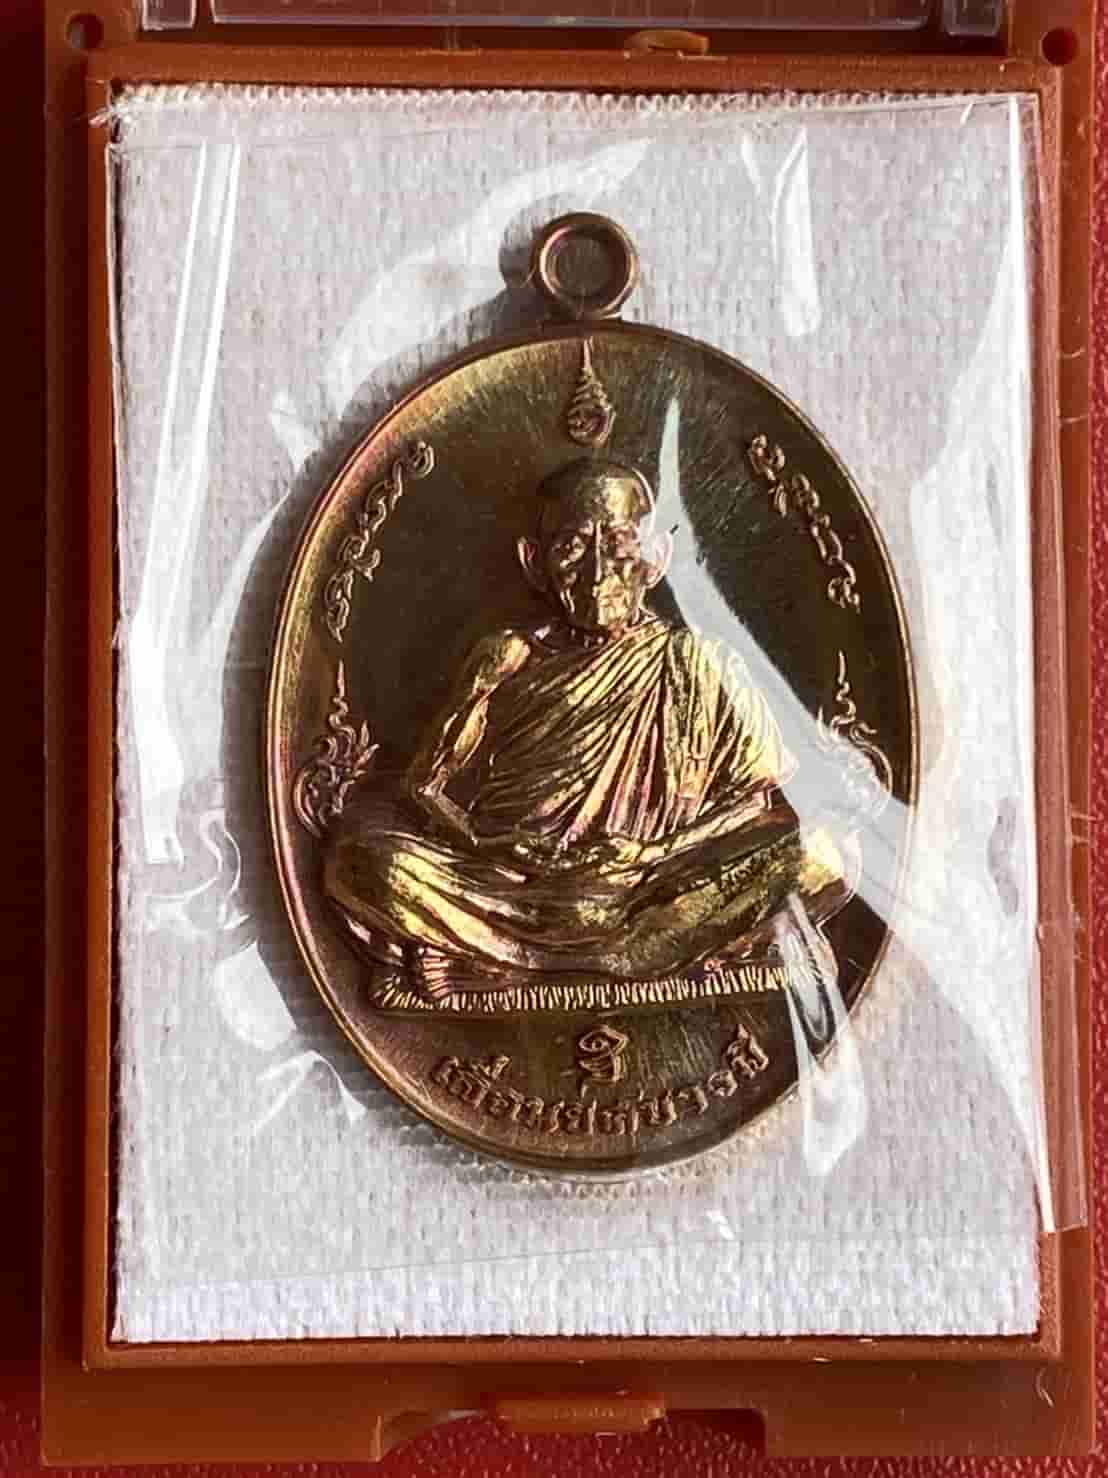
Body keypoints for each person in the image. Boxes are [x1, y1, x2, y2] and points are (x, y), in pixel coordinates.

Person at [324, 456, 848, 1004]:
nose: (598, 573)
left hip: (653, 885)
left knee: (821, 854)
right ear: (535, 563)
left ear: (655, 557)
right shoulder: (507, 656)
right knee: (359, 864)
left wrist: (648, 854)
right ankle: (629, 958)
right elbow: (422, 787)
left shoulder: (701, 661)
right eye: (572, 547)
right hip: (515, 889)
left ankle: (508, 960)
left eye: (619, 545)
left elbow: (755, 805)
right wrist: (487, 842)